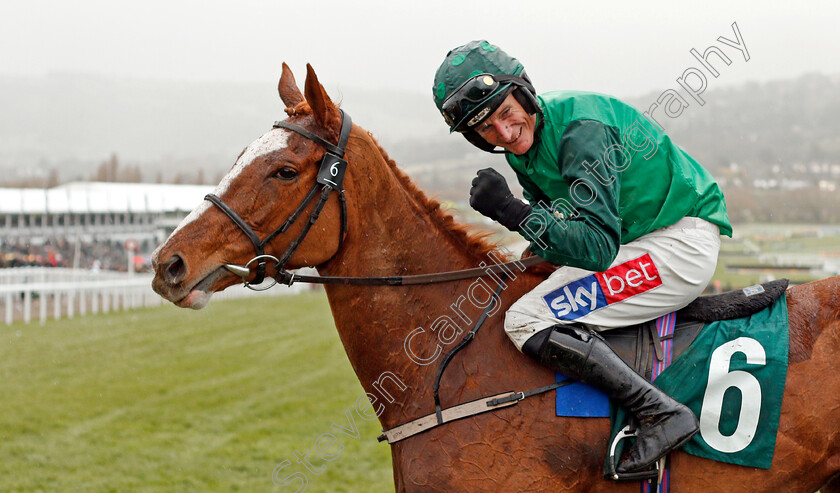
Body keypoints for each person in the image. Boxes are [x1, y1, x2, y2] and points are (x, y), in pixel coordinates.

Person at [432, 40, 732, 474]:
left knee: (525, 319)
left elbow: (594, 248)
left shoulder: (580, 131)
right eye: (485, 129)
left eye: (505, 113)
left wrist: (511, 211)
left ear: (524, 93)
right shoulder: (528, 146)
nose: (504, 133)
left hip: (678, 248)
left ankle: (660, 413)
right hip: (641, 240)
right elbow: (560, 237)